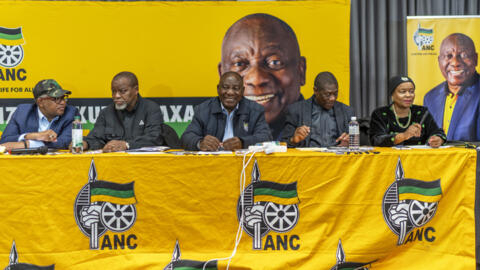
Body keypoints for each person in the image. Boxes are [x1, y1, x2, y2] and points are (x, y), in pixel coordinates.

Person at [219, 13, 306, 139]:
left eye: (274, 62)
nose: (256, 79)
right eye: (239, 64)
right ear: (222, 75)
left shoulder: (321, 126)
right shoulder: (208, 117)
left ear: (301, 70)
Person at [181, 72, 272, 151]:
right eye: (225, 87)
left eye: (236, 88)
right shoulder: (203, 110)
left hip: (242, 164)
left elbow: (265, 137)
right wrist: (200, 143)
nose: (230, 92)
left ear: (243, 91)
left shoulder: (255, 110)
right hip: (211, 164)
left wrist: (242, 142)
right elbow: (186, 137)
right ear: (218, 89)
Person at [82, 71, 168, 152]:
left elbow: (155, 138)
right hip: (115, 163)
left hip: (143, 162)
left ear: (136, 90)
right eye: (113, 91)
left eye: (123, 91)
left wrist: (127, 145)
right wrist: (86, 144)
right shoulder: (106, 112)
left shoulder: (151, 109)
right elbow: (96, 138)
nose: (116, 96)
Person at [423, 33, 480, 141]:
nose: (455, 62)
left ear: (475, 59)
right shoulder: (430, 98)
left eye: (464, 55)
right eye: (449, 56)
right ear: (439, 61)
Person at [0, 79, 77, 150]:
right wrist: (30, 136)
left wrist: (28, 144)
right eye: (56, 99)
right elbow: (5, 141)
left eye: (63, 97)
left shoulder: (71, 113)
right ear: (40, 102)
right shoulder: (22, 112)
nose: (63, 102)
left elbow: (65, 141)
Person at [281, 72, 353, 147]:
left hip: (338, 157)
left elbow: (355, 142)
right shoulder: (296, 110)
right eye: (327, 94)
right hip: (309, 157)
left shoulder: (347, 111)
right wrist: (293, 140)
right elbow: (284, 143)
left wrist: (349, 141)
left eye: (335, 93)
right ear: (315, 91)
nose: (332, 98)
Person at [371, 75, 446, 147]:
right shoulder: (381, 114)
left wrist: (438, 139)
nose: (408, 95)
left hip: (418, 158)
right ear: (392, 95)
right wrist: (404, 136)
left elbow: (438, 132)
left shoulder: (421, 112)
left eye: (411, 91)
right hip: (390, 159)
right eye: (402, 92)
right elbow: (377, 140)